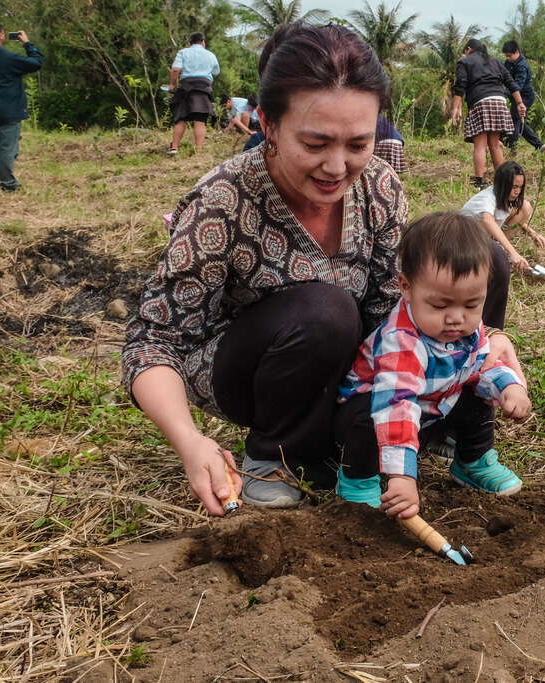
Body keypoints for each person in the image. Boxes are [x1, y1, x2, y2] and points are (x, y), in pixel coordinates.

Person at [122, 22, 524, 516]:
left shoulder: (379, 186)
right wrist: (190, 441)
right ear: (267, 124)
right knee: (326, 310)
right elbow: (153, 341)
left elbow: (393, 304)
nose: (338, 167)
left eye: (358, 144)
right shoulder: (222, 203)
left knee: (485, 262)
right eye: (315, 144)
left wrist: (483, 339)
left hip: (351, 367)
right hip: (260, 369)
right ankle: (276, 454)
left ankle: (436, 424)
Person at [334, 213, 530, 516]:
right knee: (365, 419)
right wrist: (402, 477)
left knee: (476, 394)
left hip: (428, 409)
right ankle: (358, 480)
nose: (456, 317)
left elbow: (481, 364)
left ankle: (472, 461)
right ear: (406, 287)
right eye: (440, 305)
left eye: (471, 305)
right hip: (380, 410)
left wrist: (508, 387)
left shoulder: (466, 329)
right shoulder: (401, 340)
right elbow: (395, 407)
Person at [0, 20, 42, 192]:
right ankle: (8, 183)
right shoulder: (9, 58)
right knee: (7, 149)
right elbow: (36, 63)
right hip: (9, 109)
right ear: (1, 35)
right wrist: (27, 43)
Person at [450, 39, 525, 189]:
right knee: (494, 145)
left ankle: (479, 182)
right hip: (499, 101)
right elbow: (510, 82)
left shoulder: (465, 62)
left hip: (480, 101)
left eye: (465, 52)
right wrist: (520, 103)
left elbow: (461, 85)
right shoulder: (496, 61)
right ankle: (503, 182)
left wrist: (456, 108)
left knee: (480, 145)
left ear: (468, 49)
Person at [461, 160, 545, 273]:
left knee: (525, 206)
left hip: (484, 238)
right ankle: (492, 253)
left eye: (520, 187)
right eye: (514, 187)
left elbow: (512, 218)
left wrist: (532, 233)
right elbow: (487, 220)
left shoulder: (505, 197)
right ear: (503, 184)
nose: (517, 191)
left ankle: (497, 249)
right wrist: (513, 252)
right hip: (464, 242)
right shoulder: (486, 198)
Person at [166, 32, 220, 155]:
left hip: (186, 87)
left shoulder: (183, 52)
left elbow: (175, 69)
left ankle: (174, 147)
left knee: (181, 118)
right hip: (204, 88)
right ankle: (199, 151)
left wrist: (172, 85)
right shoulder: (211, 55)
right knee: (200, 120)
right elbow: (216, 72)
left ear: (190, 43)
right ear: (203, 42)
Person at [502, 41, 543, 152]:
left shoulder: (522, 66)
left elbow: (517, 86)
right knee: (518, 123)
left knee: (515, 119)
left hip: (525, 97)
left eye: (509, 56)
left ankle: (512, 148)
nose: (508, 58)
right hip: (516, 96)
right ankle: (539, 145)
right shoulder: (509, 62)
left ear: (516, 52)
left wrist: (503, 95)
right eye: (506, 56)